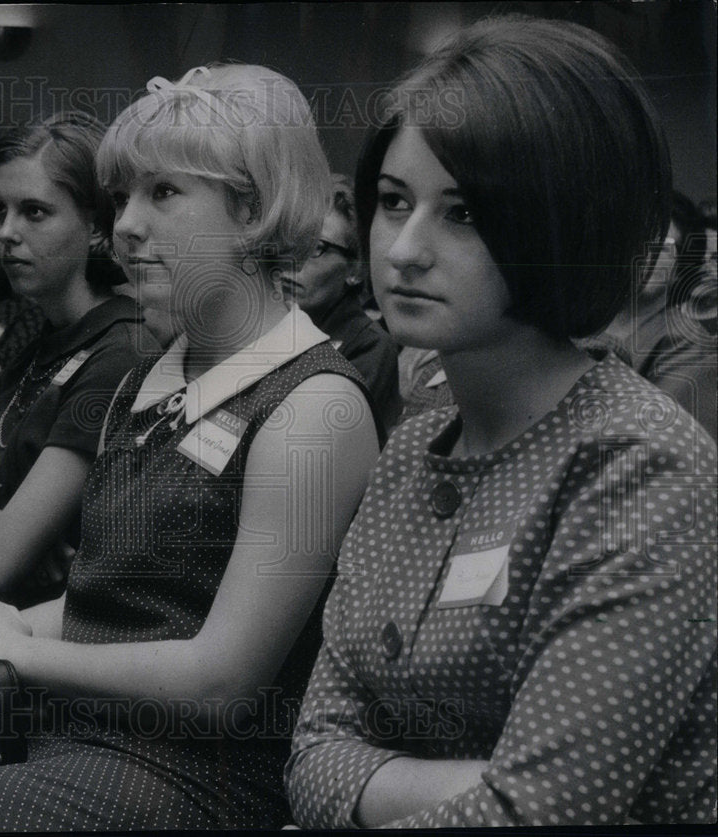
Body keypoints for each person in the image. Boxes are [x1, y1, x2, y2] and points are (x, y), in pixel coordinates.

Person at [0, 63, 379, 833]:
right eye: (124, 194)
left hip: (195, 781)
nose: (125, 225)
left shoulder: (315, 407)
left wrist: (16, 653)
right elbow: (106, 602)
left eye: (162, 193)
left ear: (254, 209)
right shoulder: (150, 376)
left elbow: (222, 680)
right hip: (66, 732)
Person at [285, 16, 716, 828]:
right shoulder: (415, 444)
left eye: (466, 214)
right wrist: (494, 779)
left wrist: (405, 784)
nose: (405, 248)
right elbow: (311, 752)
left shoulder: (641, 462)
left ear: (564, 228)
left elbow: (542, 812)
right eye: (392, 201)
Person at [0, 112, 159, 617]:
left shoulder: (120, 350)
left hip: (10, 646)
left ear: (97, 227)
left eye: (34, 212)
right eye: (0, 211)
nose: (7, 232)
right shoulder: (42, 344)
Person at [579, 191, 717, 440]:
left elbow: (659, 437)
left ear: (681, 269)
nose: (642, 255)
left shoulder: (687, 344)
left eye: (661, 248)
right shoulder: (585, 318)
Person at [280, 173, 402, 441]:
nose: (291, 262)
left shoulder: (370, 347)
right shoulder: (264, 321)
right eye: (291, 242)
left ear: (356, 270)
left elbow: (316, 442)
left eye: (316, 248)